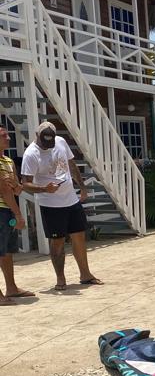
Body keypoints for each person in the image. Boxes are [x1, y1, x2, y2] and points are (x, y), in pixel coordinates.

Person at [21, 121, 103, 292]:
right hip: (51, 204)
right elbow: (25, 184)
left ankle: (85, 274)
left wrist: (82, 187)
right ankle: (60, 278)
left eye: (50, 142)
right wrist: (44, 188)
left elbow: (71, 165)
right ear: (38, 136)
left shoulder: (60, 141)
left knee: (79, 236)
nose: (48, 146)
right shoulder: (31, 154)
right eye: (45, 143)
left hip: (70, 199)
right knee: (57, 241)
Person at [0, 125, 58, 304]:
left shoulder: (8, 162)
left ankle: (11, 288)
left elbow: (17, 189)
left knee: (8, 251)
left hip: (7, 209)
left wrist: (15, 186)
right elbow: (5, 190)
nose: (8, 138)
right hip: (2, 210)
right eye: (4, 135)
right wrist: (18, 214)